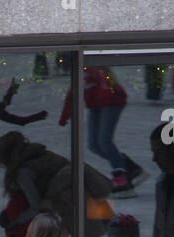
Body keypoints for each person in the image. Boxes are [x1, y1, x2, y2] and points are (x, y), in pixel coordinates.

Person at [59, 66, 144, 197]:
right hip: (96, 106)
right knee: (93, 145)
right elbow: (72, 94)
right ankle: (131, 168)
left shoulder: (95, 69)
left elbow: (106, 86)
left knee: (105, 141)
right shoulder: (79, 71)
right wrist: (65, 116)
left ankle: (121, 179)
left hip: (112, 102)